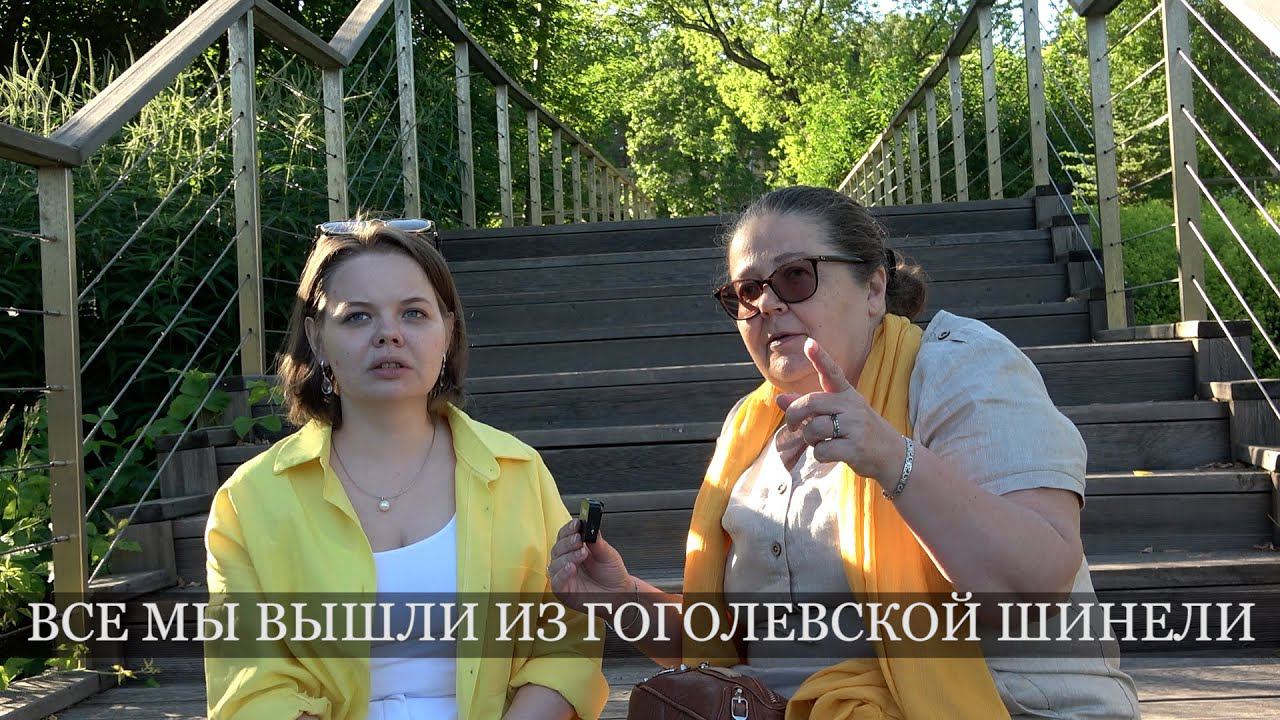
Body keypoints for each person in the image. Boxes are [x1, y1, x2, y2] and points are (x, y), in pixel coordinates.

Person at [548, 187, 1141, 719]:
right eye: (747, 291)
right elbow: (725, 645)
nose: (767, 304)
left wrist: (891, 457)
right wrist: (621, 599)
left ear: (874, 288)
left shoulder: (959, 368)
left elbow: (1031, 587)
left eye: (795, 277)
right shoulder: (748, 429)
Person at [204, 219, 607, 720]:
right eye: (357, 317)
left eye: (413, 313)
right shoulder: (249, 500)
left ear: (448, 331)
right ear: (317, 337)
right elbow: (252, 685)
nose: (389, 335)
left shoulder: (517, 471)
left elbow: (565, 644)